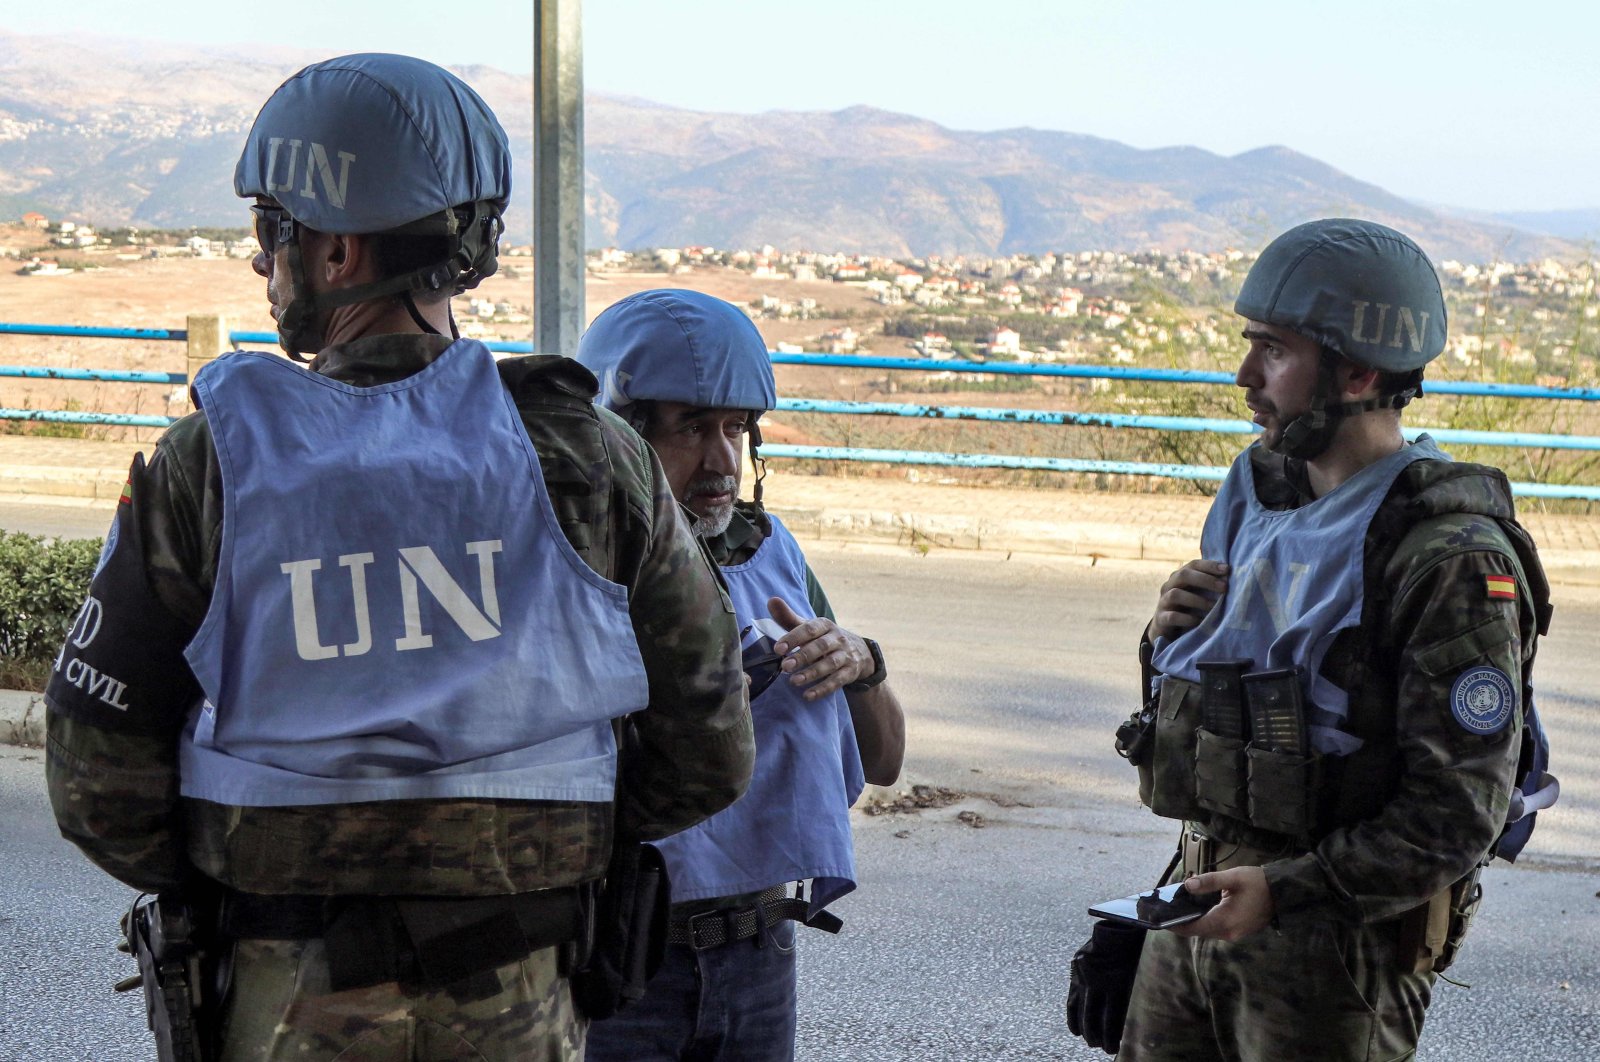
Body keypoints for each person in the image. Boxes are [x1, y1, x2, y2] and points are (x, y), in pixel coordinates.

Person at [45, 54, 753, 1062]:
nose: (264, 263)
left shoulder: (211, 464)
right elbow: (710, 747)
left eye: (270, 234)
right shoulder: (594, 458)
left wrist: (250, 879)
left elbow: (96, 786)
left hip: (283, 997)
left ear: (333, 252)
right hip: (527, 997)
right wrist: (527, 853)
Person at [1068, 218, 1555, 1060]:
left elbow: (1456, 815)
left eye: (1276, 351)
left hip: (1336, 948)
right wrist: (1169, 637)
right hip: (1199, 899)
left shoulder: (1447, 557)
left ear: (1360, 372)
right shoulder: (1264, 496)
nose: (1245, 375)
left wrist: (1289, 890)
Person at [574, 289, 907, 1061]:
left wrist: (861, 663)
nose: (722, 460)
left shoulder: (768, 554)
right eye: (692, 428)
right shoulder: (577, 568)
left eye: (735, 429)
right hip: (621, 956)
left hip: (759, 953)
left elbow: (886, 762)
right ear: (620, 439)